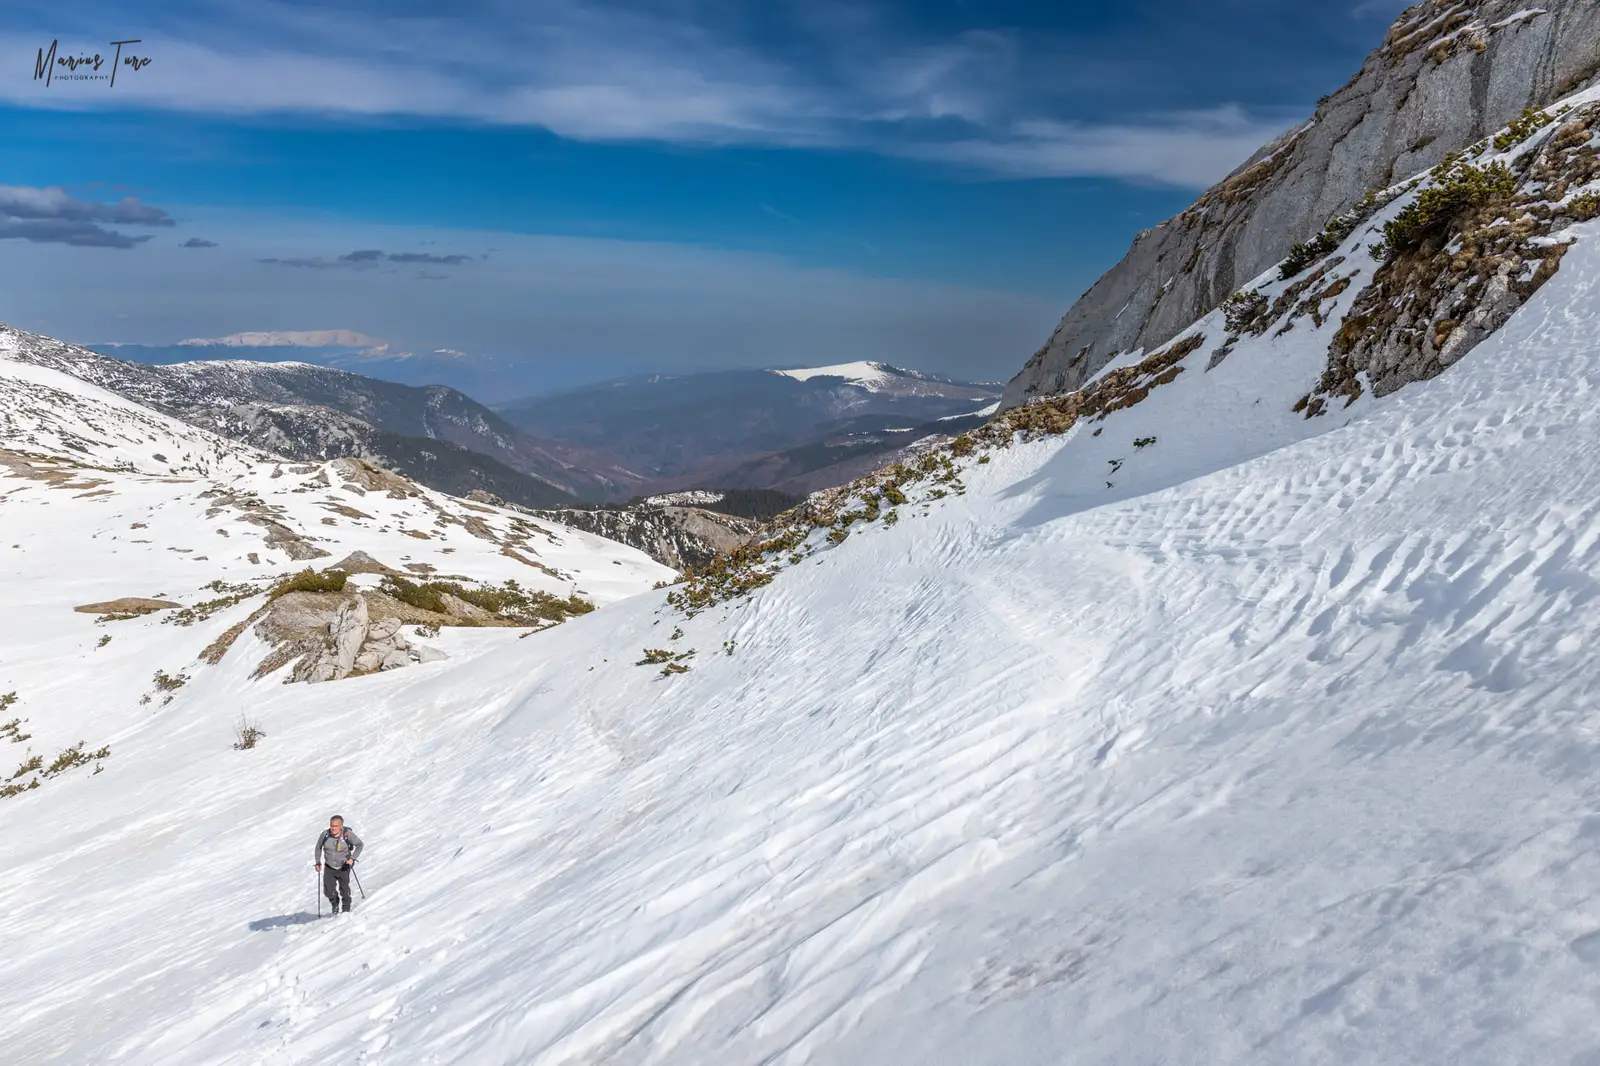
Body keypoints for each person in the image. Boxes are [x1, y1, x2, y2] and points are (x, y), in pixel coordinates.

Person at [313, 815, 363, 914]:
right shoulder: (325, 834)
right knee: (328, 891)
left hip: (344, 866)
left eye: (336, 826)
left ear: (341, 826)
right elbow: (318, 847)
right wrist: (318, 862)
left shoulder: (347, 834)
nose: (333, 828)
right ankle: (335, 903)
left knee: (344, 890)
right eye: (332, 825)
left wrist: (352, 858)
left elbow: (360, 845)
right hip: (329, 867)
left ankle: (346, 909)